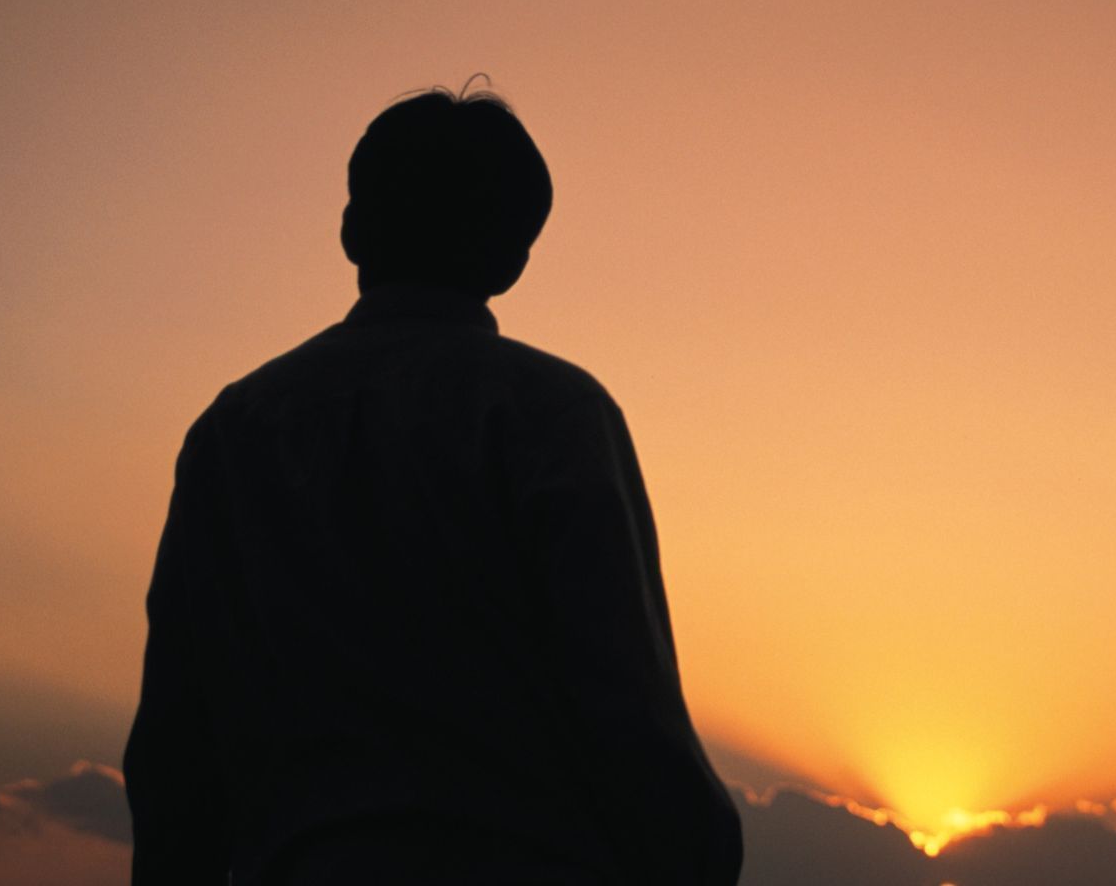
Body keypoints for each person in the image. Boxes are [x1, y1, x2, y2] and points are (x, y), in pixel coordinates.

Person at [124, 84, 743, 884]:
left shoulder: (234, 430)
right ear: (513, 256)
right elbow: (627, 704)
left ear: (352, 230)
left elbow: (176, 739)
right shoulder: (552, 415)